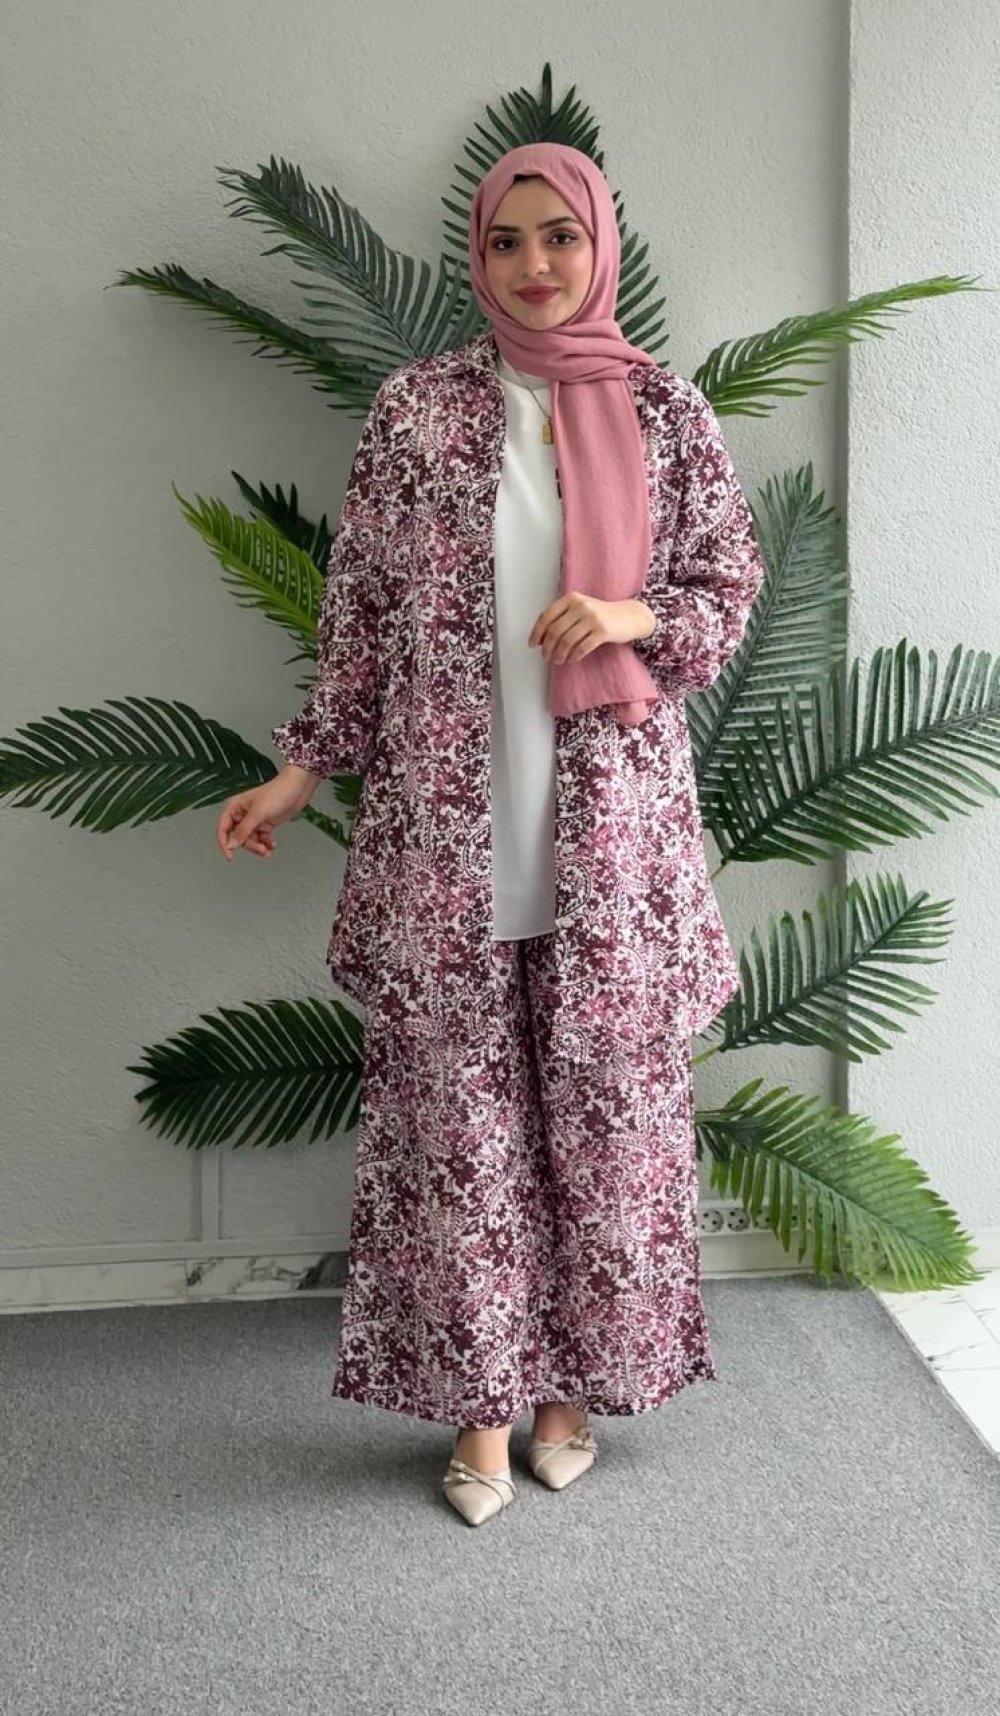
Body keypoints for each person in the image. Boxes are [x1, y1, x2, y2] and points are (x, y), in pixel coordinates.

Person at [215, 142, 766, 1527]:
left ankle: (571, 1398)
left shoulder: (664, 409)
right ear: (480, 254)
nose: (534, 265)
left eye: (559, 238)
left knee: (605, 1124)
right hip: (448, 830)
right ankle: (480, 1413)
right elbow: (362, 615)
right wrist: (299, 772)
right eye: (508, 241)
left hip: (611, 840)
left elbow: (725, 585)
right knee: (458, 1129)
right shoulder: (419, 410)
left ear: (600, 247)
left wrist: (632, 612)